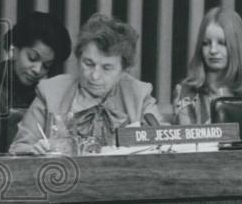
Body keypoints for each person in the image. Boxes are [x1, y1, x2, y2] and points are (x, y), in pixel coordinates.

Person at [9, 13, 162, 154]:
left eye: (107, 68)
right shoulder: (51, 92)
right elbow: (18, 148)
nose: (94, 76)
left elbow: (164, 145)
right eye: (88, 63)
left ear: (124, 70)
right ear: (78, 58)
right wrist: (34, 150)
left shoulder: (139, 95)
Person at [0, 11, 72, 153]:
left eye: (46, 66)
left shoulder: (45, 96)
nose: (38, 70)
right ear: (14, 49)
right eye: (32, 58)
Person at [172, 7, 242, 124]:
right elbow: (189, 139)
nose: (213, 50)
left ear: (237, 46)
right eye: (206, 43)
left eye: (222, 43)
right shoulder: (185, 91)